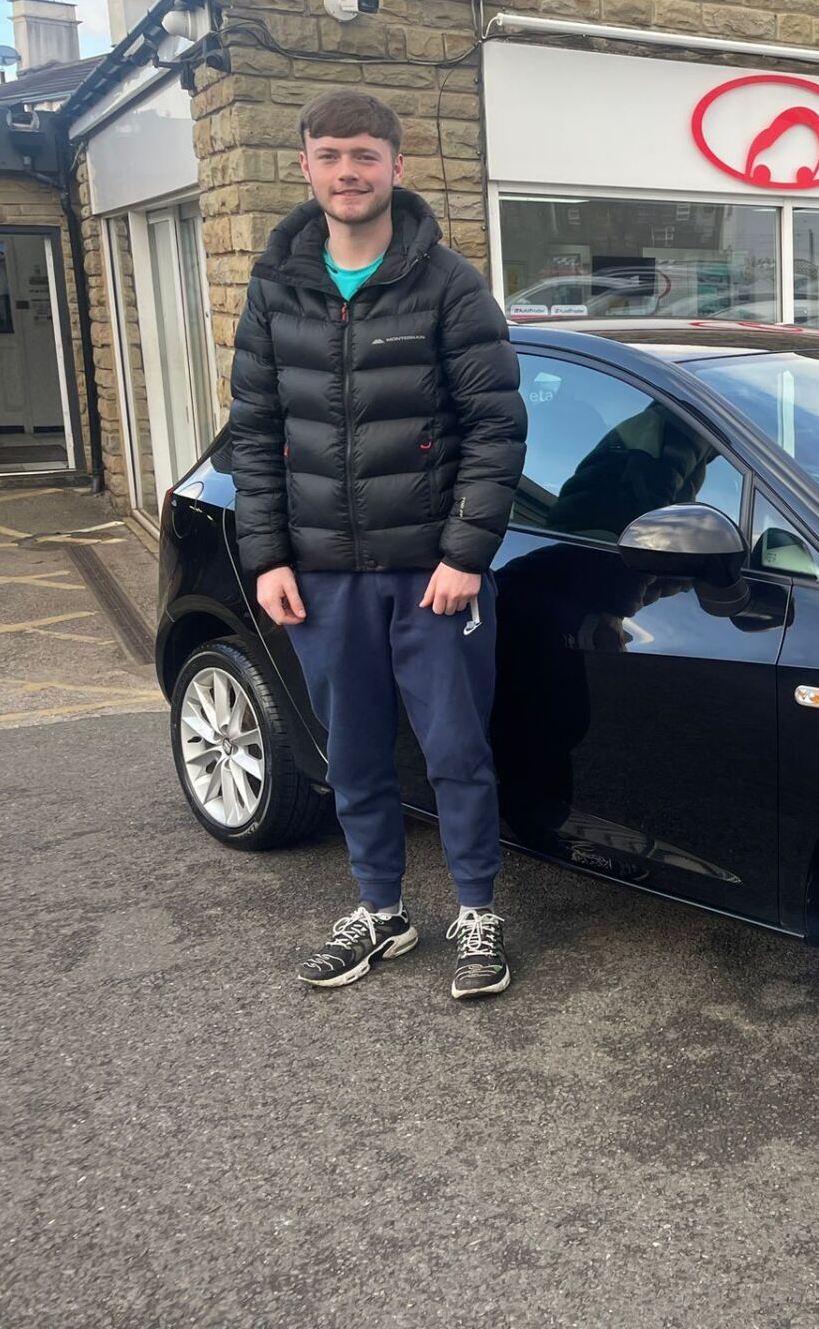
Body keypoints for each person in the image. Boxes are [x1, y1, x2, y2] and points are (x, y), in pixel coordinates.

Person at [228, 88, 527, 999]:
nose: (348, 172)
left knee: (455, 751)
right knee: (352, 751)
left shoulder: (448, 283)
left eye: (365, 155)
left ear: (397, 166)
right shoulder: (277, 286)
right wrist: (267, 555)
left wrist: (464, 557)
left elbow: (495, 428)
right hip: (321, 577)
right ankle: (381, 913)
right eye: (330, 155)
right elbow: (255, 429)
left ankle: (477, 912)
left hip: (431, 574)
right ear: (307, 166)